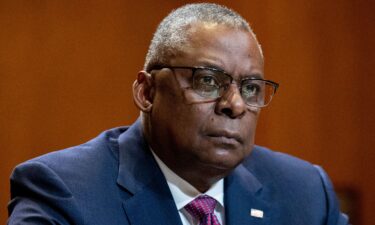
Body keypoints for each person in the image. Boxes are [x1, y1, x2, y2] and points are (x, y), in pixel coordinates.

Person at [8, 3, 349, 225]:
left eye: (250, 88)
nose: (235, 105)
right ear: (147, 92)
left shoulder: (305, 194)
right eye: (208, 80)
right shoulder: (64, 193)